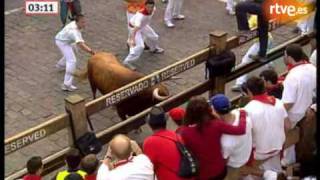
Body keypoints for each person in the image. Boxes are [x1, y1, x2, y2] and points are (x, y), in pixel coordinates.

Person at [180, 96, 247, 179]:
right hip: (219, 170)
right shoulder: (216, 124)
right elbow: (240, 130)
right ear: (208, 110)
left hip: (202, 174)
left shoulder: (184, 132)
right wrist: (242, 115)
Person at [243, 76, 289, 177]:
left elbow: (246, 137)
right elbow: (287, 125)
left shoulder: (248, 110)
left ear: (249, 92)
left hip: (260, 152)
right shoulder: (278, 102)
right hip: (278, 146)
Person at [281, 44, 317, 166]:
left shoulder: (292, 77)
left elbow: (288, 103)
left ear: (289, 57)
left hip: (295, 115)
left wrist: (276, 112)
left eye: (284, 55)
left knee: (284, 136)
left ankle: (286, 163)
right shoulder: (312, 68)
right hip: (309, 110)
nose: (284, 57)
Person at [210, 94, 252, 180]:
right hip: (244, 155)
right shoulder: (240, 113)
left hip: (234, 165)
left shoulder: (226, 141)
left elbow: (225, 160)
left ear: (214, 111)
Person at [232, 14, 273, 91]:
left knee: (245, 61)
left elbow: (247, 32)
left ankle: (239, 83)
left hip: (260, 43)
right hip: (268, 39)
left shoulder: (254, 17)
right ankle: (272, 72)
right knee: (267, 58)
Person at [55, 14, 96, 91]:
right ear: (77, 22)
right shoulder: (74, 32)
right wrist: (91, 51)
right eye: (82, 22)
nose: (84, 24)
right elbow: (81, 45)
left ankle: (60, 65)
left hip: (67, 40)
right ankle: (66, 85)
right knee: (72, 61)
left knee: (72, 52)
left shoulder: (75, 24)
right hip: (62, 42)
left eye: (84, 22)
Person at [143, 106, 184, 180]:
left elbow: (150, 168)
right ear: (165, 122)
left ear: (150, 125)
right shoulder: (177, 136)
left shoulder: (149, 143)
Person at [124, 0, 164, 71]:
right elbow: (134, 30)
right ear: (145, 7)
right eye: (148, 7)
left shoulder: (154, 9)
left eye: (151, 7)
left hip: (143, 26)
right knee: (140, 46)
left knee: (154, 37)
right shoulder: (140, 16)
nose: (150, 9)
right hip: (134, 28)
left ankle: (153, 49)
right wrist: (132, 40)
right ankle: (127, 61)